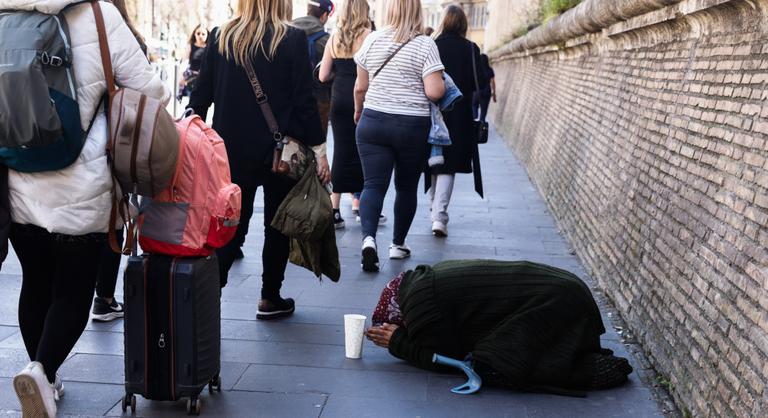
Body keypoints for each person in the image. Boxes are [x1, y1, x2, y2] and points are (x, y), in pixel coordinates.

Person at [1, 1, 169, 417]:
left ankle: (46, 378)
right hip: (83, 184)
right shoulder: (98, 17)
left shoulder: (4, 16)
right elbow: (151, 94)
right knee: (74, 289)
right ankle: (42, 371)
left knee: (36, 281)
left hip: (17, 179)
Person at [190, 0, 331, 319]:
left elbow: (201, 97)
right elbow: (304, 101)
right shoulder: (291, 39)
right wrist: (320, 150)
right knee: (277, 224)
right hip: (281, 153)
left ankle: (209, 294)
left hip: (230, 152)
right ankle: (270, 296)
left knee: (229, 224)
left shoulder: (221, 37)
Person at [365, 260, 634, 394]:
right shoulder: (416, 283)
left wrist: (399, 343)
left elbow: (449, 360)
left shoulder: (421, 309)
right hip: (563, 289)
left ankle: (599, 369)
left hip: (557, 301)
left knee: (497, 365)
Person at [354, 0, 445, 272]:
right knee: (405, 186)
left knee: (372, 185)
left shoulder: (372, 39)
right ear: (416, 11)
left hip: (373, 121)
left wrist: (358, 112)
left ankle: (369, 239)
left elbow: (361, 86)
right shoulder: (426, 44)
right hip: (410, 126)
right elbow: (435, 92)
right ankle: (397, 244)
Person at [91, 0, 148, 323]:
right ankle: (105, 296)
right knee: (117, 213)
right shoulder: (129, 37)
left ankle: (101, 294)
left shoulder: (72, 28)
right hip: (119, 139)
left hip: (81, 141)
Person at [429, 4, 487, 238]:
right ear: (463, 23)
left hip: (433, 112)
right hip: (460, 114)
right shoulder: (470, 48)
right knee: (449, 165)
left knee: (434, 160)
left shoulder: (432, 45)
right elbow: (479, 82)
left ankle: (434, 211)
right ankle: (439, 216)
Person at [318, 0, 371, 230]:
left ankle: (335, 210)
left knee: (340, 150)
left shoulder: (335, 36)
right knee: (363, 152)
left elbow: (322, 76)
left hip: (339, 99)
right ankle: (362, 206)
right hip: (364, 97)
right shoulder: (370, 35)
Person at [293, 0, 334, 138]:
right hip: (319, 99)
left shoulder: (286, 33)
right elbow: (331, 74)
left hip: (291, 98)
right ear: (323, 15)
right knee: (318, 143)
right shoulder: (327, 40)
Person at [177, 24, 209, 101]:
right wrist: (181, 76)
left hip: (205, 79)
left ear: (207, 35)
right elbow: (184, 61)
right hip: (192, 79)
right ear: (194, 34)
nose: (200, 36)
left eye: (203, 34)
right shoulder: (190, 46)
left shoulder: (210, 48)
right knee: (192, 102)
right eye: (198, 33)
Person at [473, 53, 496, 122]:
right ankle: (481, 128)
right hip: (487, 92)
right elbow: (492, 82)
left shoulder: (476, 70)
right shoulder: (489, 69)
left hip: (476, 91)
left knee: (474, 105)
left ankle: (475, 116)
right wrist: (494, 94)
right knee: (484, 111)